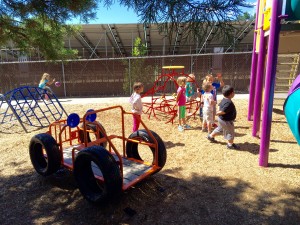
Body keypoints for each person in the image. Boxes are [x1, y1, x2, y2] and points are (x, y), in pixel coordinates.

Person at [207, 85, 240, 150]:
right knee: (230, 131)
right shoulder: (229, 103)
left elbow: (219, 105)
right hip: (226, 120)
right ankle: (230, 145)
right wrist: (217, 113)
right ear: (231, 94)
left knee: (220, 129)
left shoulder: (224, 99)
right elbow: (223, 111)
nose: (234, 93)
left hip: (221, 119)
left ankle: (211, 136)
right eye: (233, 92)